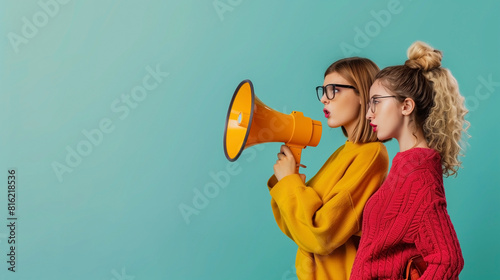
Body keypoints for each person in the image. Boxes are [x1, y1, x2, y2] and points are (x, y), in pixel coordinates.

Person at [350, 41, 468, 279]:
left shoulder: (418, 175)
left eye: (376, 102)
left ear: (406, 105)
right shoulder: (407, 166)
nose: (368, 113)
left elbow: (448, 260)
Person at [268, 57, 389, 280]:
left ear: (363, 95)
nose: (324, 99)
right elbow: (299, 231)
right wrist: (290, 181)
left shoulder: (371, 155)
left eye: (334, 90)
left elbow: (321, 235)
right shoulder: (345, 152)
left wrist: (289, 183)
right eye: (323, 91)